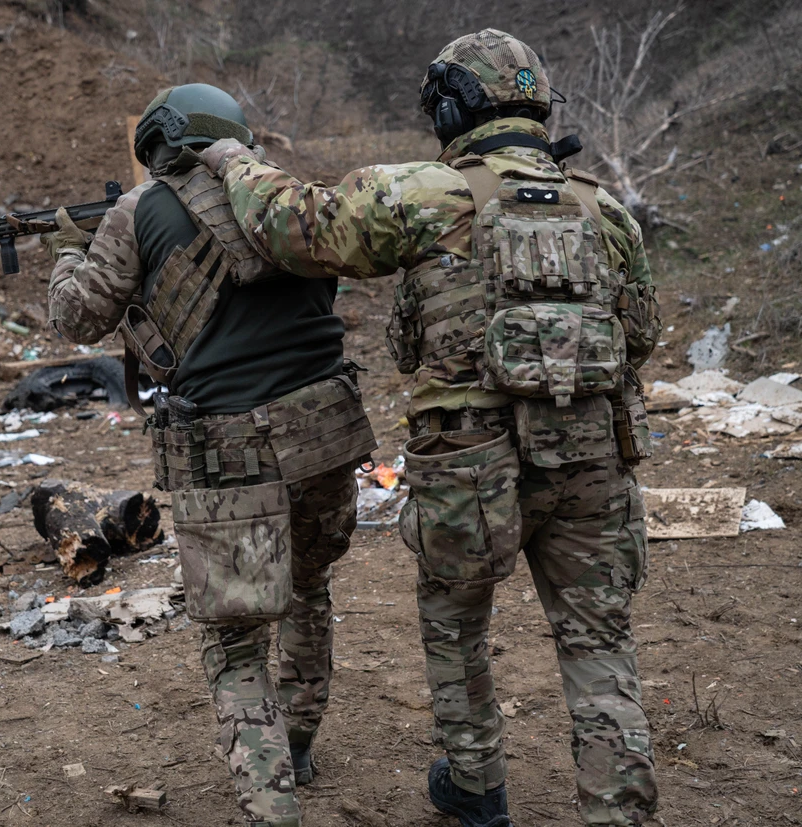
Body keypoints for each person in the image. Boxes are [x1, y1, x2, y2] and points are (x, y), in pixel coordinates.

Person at [198, 30, 662, 827]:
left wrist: (227, 158)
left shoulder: (427, 193)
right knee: (598, 646)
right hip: (591, 460)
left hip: (468, 465)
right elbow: (641, 334)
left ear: (451, 108)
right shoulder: (606, 208)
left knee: (456, 621)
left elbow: (292, 225)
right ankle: (621, 810)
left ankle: (478, 785)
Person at [43, 83, 378, 827]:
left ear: (161, 140)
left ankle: (270, 805)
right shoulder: (289, 200)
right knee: (310, 587)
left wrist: (67, 248)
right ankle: (296, 744)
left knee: (233, 644)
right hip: (328, 433)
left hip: (226, 450)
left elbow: (76, 315)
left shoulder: (137, 211)